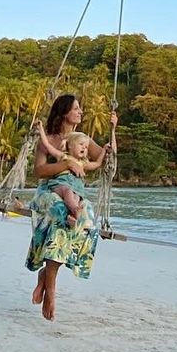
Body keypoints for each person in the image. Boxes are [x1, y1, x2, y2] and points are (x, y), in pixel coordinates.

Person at [26, 94, 117, 321]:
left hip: (74, 194)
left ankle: (46, 275)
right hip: (49, 191)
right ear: (64, 112)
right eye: (76, 108)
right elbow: (39, 171)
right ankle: (51, 290)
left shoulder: (83, 140)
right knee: (59, 211)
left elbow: (106, 157)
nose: (80, 112)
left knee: (86, 216)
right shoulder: (50, 141)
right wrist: (66, 164)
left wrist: (113, 130)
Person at [35, 127, 105, 227]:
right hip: (61, 184)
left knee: (76, 198)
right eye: (81, 145)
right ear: (71, 146)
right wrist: (41, 131)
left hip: (76, 188)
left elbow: (97, 163)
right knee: (67, 192)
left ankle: (72, 218)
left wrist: (104, 150)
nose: (84, 148)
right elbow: (48, 146)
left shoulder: (83, 163)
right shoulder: (64, 157)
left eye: (86, 147)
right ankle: (75, 211)